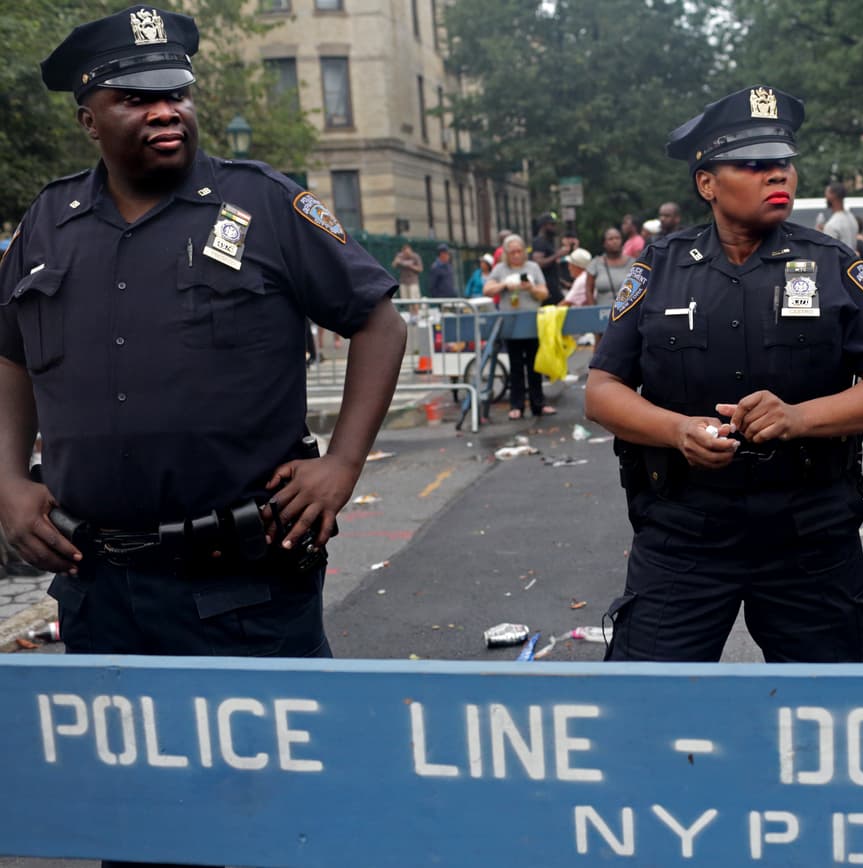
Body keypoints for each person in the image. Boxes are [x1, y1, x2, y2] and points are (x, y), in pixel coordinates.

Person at [0, 2, 405, 702]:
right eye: (135, 99)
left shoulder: (266, 204)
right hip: (96, 591)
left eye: (176, 94)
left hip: (242, 590)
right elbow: (9, 354)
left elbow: (379, 322)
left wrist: (342, 463)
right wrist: (7, 479)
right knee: (127, 797)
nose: (165, 112)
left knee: (276, 797)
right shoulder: (48, 223)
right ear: (89, 120)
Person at [585, 84, 863, 663]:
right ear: (707, 184)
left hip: (809, 533)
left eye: (784, 164)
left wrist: (798, 418)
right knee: (649, 705)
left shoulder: (830, 264)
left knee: (836, 712)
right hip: (683, 531)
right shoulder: (659, 269)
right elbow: (601, 391)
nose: (779, 177)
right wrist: (675, 432)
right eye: (755, 165)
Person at [484, 234, 557, 418]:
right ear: (506, 254)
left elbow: (544, 292)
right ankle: (516, 406)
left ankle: (538, 403)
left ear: (524, 252)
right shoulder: (500, 269)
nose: (516, 255)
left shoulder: (532, 267)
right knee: (516, 366)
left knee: (535, 365)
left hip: (532, 322)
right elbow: (487, 289)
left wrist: (530, 288)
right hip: (511, 323)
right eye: (512, 252)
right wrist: (505, 285)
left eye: (519, 251)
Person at [586, 226, 634, 308]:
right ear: (604, 243)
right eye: (610, 239)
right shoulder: (596, 263)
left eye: (617, 238)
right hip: (602, 314)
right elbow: (588, 290)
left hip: (627, 313)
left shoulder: (633, 263)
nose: (615, 241)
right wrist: (593, 310)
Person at [531, 212, 573, 304]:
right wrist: (558, 254)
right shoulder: (539, 242)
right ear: (544, 226)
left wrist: (564, 283)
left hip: (554, 289)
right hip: (546, 291)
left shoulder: (548, 242)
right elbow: (538, 263)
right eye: (552, 224)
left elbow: (551, 269)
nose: (555, 227)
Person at [821, 182, 857, 247]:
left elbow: (829, 253)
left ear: (833, 196)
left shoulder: (832, 225)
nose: (825, 198)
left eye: (826, 195)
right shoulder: (852, 217)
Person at [392, 242, 424, 307]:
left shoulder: (415, 256)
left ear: (410, 251)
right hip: (403, 282)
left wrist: (411, 266)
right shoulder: (400, 256)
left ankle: (415, 315)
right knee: (405, 301)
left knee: (414, 301)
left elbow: (420, 269)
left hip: (413, 282)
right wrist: (397, 260)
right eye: (405, 253)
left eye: (408, 253)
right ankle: (411, 315)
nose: (407, 254)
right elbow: (393, 265)